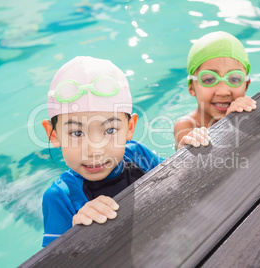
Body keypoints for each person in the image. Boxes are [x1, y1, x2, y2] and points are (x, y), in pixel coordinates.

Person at [41, 56, 166, 247]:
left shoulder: (139, 155)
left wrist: (189, 148)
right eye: (76, 132)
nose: (95, 150)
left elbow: (178, 178)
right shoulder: (60, 197)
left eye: (110, 130)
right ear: (53, 134)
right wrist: (74, 239)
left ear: (130, 127)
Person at [174, 31, 260, 149]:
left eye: (234, 79)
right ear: (191, 88)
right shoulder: (187, 124)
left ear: (246, 85)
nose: (223, 91)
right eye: (209, 79)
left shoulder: (248, 109)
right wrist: (229, 124)